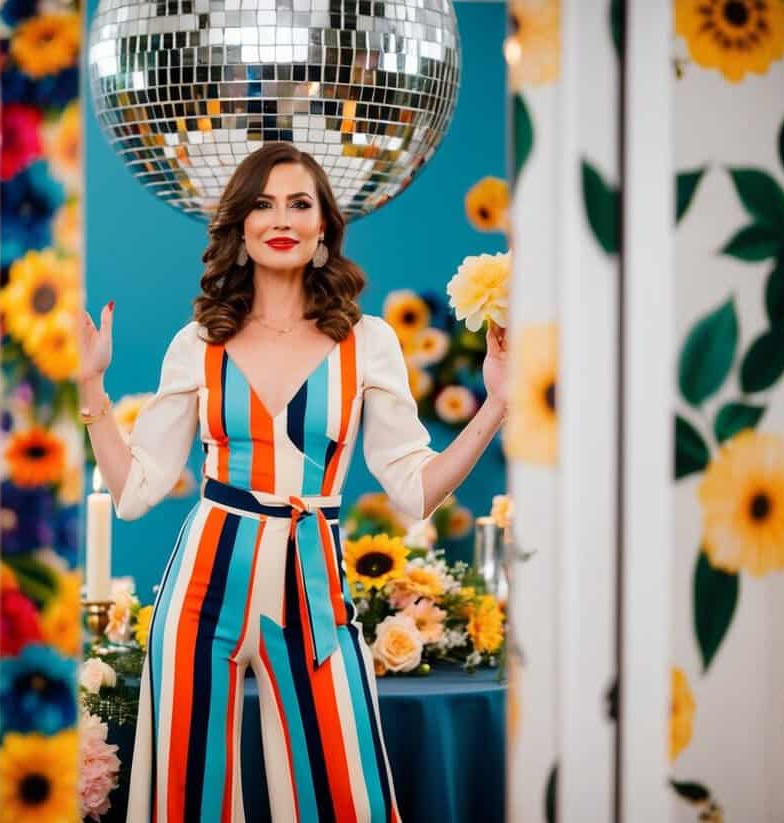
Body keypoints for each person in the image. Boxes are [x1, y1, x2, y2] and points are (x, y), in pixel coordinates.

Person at [77, 142, 508, 823]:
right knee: (189, 799)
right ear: (242, 230)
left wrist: (496, 405)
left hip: (314, 587)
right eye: (263, 204)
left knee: (349, 799)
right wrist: (91, 389)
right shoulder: (198, 342)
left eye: (299, 203)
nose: (282, 217)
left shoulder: (368, 341)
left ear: (323, 228)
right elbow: (135, 493)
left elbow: (413, 490)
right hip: (201, 591)